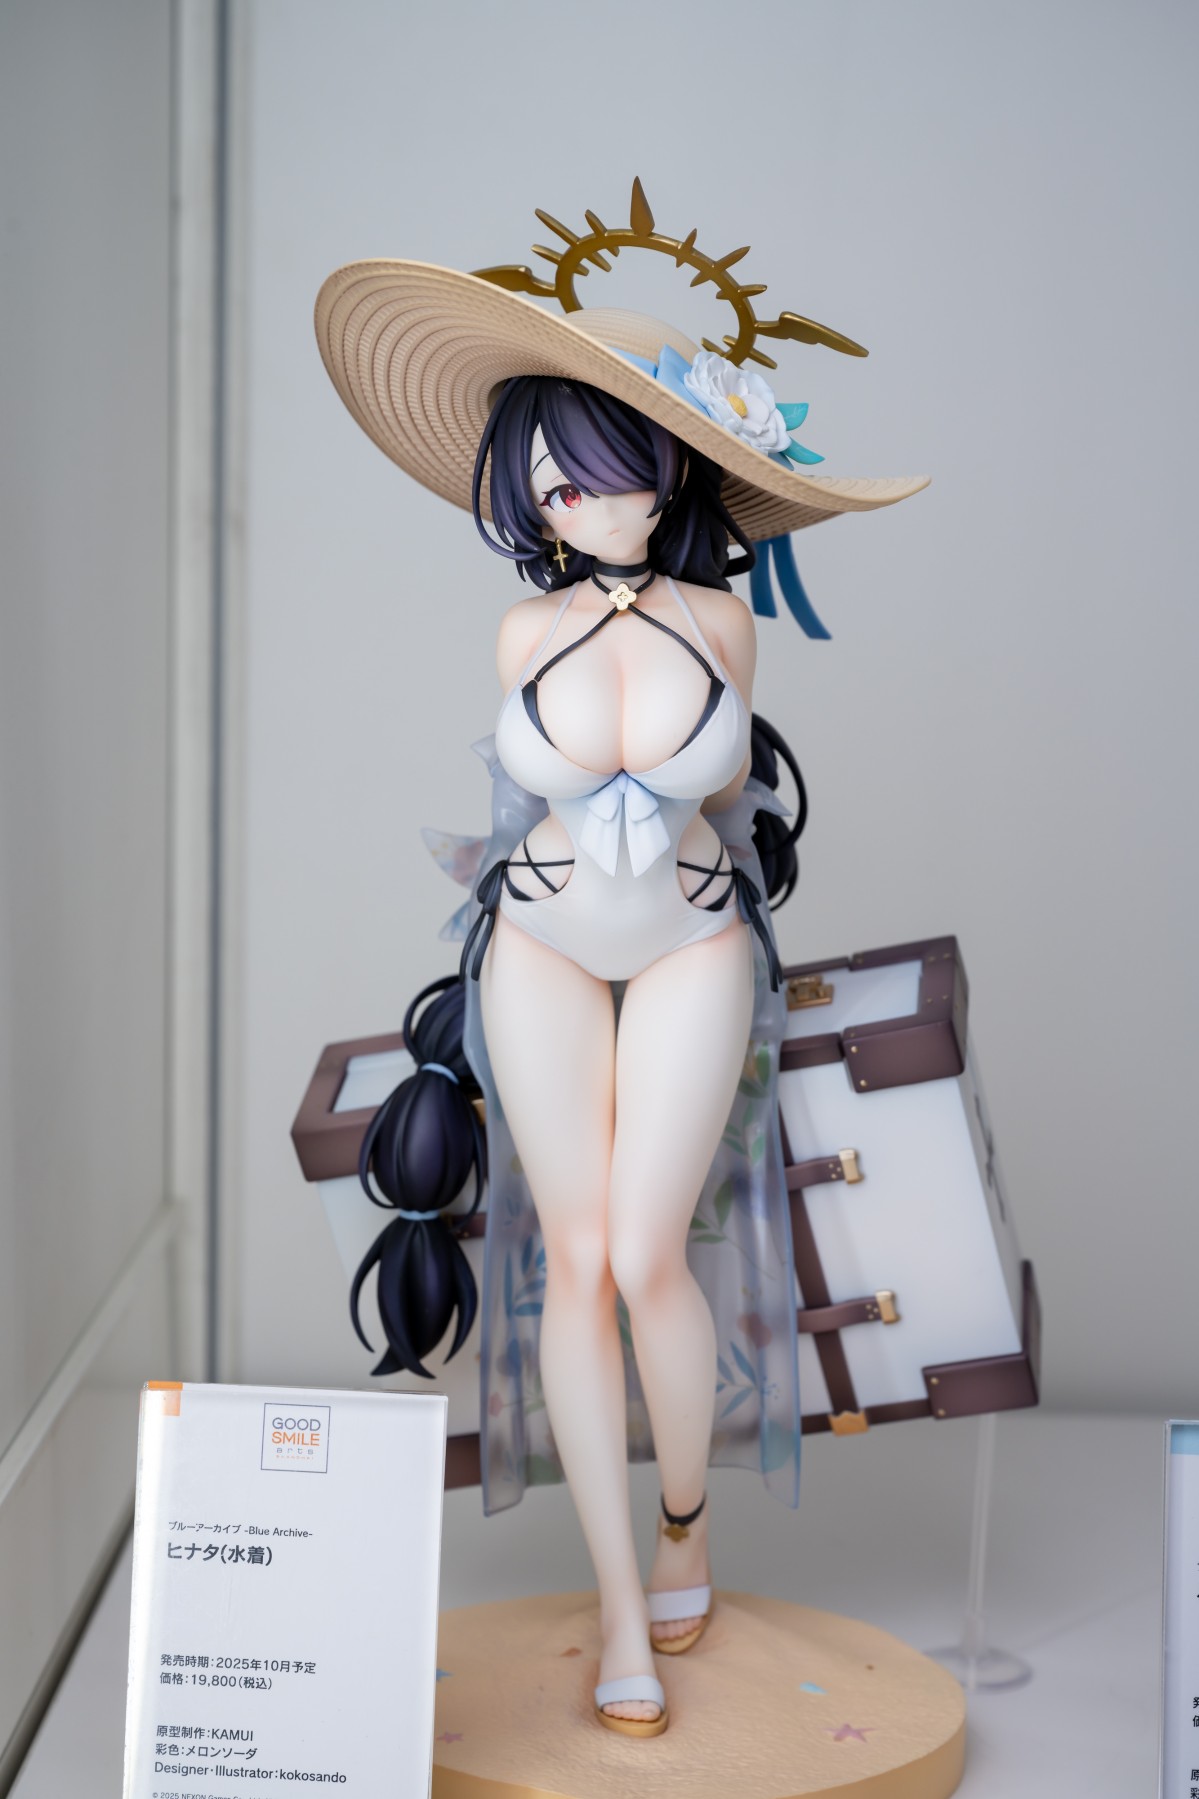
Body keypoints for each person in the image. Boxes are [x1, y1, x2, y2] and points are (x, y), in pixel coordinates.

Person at [315, 183, 926, 1737]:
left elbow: (718, 793)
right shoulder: (521, 638)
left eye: (603, 470)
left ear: (670, 464)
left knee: (650, 1255)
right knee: (574, 1263)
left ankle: (682, 1524)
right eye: (550, 482)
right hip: (538, 943)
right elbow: (529, 797)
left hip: (692, 943)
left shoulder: (726, 626)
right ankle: (613, 1611)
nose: (577, 504)